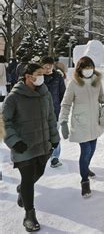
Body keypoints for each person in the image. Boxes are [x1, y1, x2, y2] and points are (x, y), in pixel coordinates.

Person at [2, 63, 60, 232]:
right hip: (23, 147)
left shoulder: (45, 93)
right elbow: (4, 121)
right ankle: (29, 214)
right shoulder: (14, 97)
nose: (43, 77)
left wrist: (55, 138)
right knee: (28, 179)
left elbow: (50, 117)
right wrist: (14, 141)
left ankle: (22, 189)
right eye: (39, 74)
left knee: (39, 172)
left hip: (42, 144)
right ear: (28, 76)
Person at [59, 56, 104, 198]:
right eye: (85, 68)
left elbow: (101, 98)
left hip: (94, 122)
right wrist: (63, 121)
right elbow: (66, 104)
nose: (88, 70)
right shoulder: (74, 84)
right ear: (80, 69)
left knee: (92, 149)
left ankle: (85, 168)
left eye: (90, 67)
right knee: (85, 151)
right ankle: (84, 181)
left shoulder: (96, 81)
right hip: (80, 123)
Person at [41, 56, 66, 167]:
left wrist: (62, 109)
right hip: (40, 112)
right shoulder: (38, 77)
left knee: (55, 134)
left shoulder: (58, 77)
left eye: (50, 66)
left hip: (55, 111)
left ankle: (55, 157)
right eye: (45, 67)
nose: (48, 69)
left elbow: (63, 94)